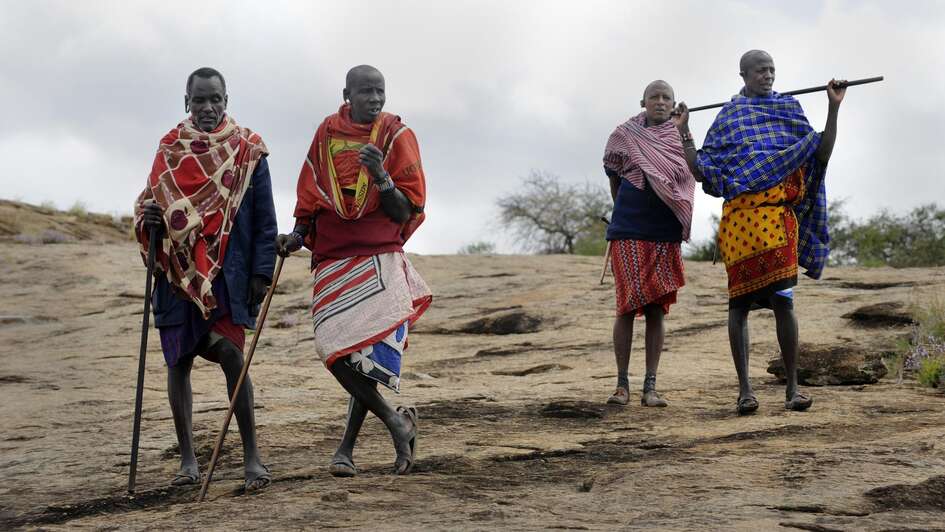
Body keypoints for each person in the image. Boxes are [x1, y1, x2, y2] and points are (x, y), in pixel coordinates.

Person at [276, 65, 431, 477]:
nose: (375, 99)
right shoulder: (327, 133)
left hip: (378, 254)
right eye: (366, 92)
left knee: (364, 357)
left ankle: (346, 449)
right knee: (334, 348)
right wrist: (295, 236)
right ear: (347, 94)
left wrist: (380, 175)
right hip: (333, 256)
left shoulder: (396, 136)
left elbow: (406, 210)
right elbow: (310, 196)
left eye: (380, 91)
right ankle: (396, 422)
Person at [674, 50, 846, 415]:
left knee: (784, 300)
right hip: (740, 226)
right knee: (739, 305)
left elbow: (821, 151)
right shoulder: (730, 117)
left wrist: (833, 108)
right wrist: (684, 131)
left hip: (778, 222)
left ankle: (793, 389)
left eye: (771, 70)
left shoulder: (789, 110)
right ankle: (745, 391)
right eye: (759, 71)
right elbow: (703, 169)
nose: (767, 76)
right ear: (743, 75)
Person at [134, 67, 276, 491]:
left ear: (227, 100)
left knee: (233, 357)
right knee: (178, 364)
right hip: (177, 277)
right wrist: (152, 219)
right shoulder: (169, 150)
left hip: (228, 277)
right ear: (186, 102)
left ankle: (252, 455)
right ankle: (188, 461)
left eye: (215, 99)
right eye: (199, 100)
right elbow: (148, 204)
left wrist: (261, 273)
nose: (208, 107)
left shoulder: (248, 151)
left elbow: (265, 220)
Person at [602, 80, 696, 407]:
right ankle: (621, 385)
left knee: (656, 307)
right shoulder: (624, 135)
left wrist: (683, 131)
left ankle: (650, 387)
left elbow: (690, 174)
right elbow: (613, 175)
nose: (659, 101)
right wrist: (624, 211)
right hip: (628, 226)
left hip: (664, 230)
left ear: (674, 103)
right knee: (626, 305)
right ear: (642, 101)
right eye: (653, 97)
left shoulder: (681, 135)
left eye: (665, 97)